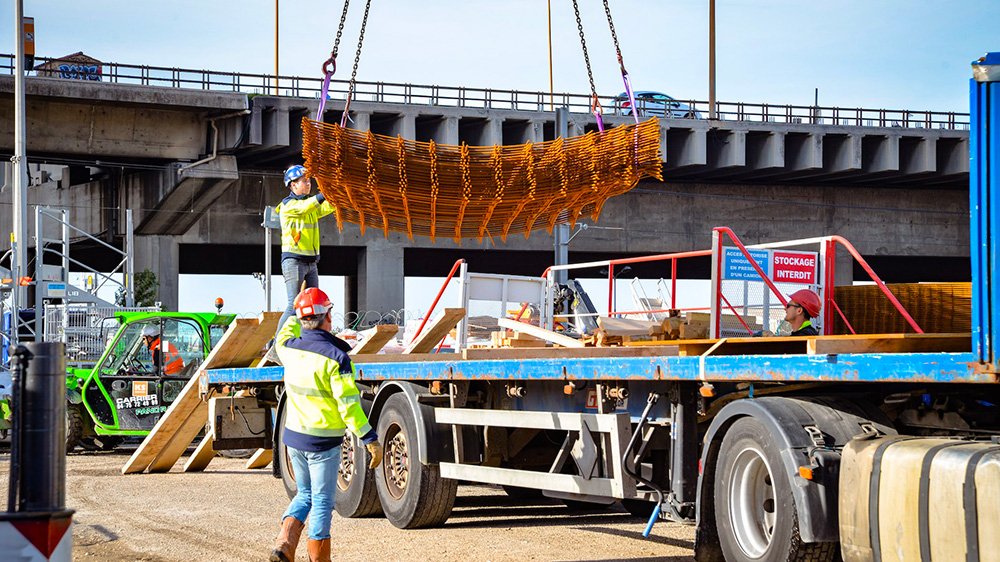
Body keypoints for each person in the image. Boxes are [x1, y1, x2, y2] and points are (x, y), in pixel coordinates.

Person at [270, 287, 383, 562]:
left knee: (305, 494)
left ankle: (284, 545)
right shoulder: (336, 358)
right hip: (323, 443)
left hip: (295, 438)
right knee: (321, 501)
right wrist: (369, 438)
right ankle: (319, 559)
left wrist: (298, 308)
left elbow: (282, 335)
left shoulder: (288, 349)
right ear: (328, 317)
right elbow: (348, 405)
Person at [273, 164, 336, 342]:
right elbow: (306, 207)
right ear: (292, 185)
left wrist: (338, 196)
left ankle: (309, 340)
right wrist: (324, 195)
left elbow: (325, 208)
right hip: (294, 260)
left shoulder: (309, 206)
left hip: (311, 262)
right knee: (294, 304)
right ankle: (278, 344)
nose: (308, 184)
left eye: (309, 181)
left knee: (314, 304)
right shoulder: (288, 205)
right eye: (304, 181)